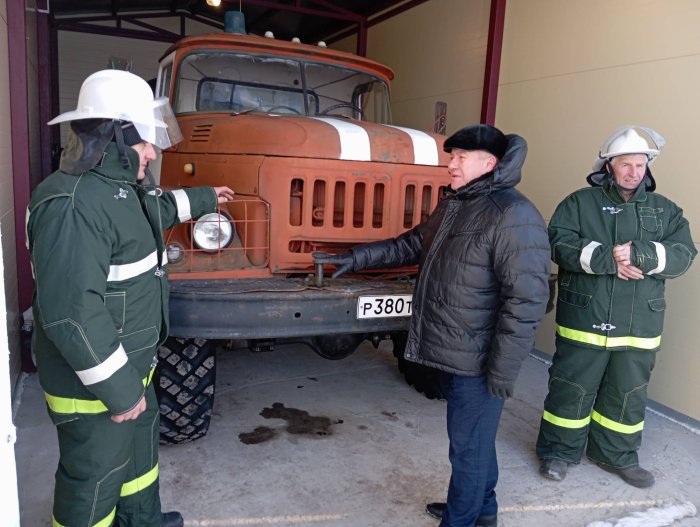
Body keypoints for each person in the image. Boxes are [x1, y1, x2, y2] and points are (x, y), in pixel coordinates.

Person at [26, 69, 235, 527]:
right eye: (146, 141)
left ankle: (142, 521)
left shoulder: (117, 191)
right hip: (97, 388)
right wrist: (120, 392)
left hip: (131, 370)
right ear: (117, 136)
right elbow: (71, 315)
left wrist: (203, 197)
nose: (154, 152)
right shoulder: (73, 205)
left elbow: (150, 211)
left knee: (138, 466)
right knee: (95, 481)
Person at [314, 124, 551, 527]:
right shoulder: (459, 203)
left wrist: (504, 369)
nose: (450, 165)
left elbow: (526, 300)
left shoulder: (513, 214)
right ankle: (482, 512)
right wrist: (357, 257)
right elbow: (413, 243)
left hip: (479, 360)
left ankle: (460, 519)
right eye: (451, 156)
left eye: (460, 158)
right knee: (473, 445)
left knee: (467, 449)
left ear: (488, 163)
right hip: (454, 351)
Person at [536, 126, 696, 488]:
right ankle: (559, 452)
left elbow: (685, 255)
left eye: (640, 165)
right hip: (585, 321)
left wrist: (641, 253)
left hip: (639, 325)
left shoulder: (666, 211)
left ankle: (616, 455)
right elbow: (558, 243)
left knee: (627, 394)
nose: (634, 172)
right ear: (609, 166)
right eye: (626, 164)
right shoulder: (578, 204)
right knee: (570, 387)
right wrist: (608, 257)